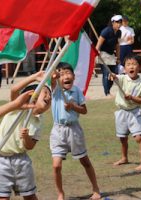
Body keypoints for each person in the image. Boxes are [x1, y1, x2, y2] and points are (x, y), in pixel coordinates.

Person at [0, 71, 51, 200]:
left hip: (22, 161)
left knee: (30, 195)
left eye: (50, 95)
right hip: (0, 160)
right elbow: (14, 89)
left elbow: (30, 146)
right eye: (45, 93)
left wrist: (26, 137)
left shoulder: (39, 120)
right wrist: (34, 77)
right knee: (2, 197)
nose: (49, 97)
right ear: (31, 96)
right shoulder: (17, 107)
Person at [50, 62, 101, 200]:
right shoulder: (55, 89)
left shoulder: (77, 91)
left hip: (74, 129)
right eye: (62, 74)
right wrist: (53, 77)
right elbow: (52, 80)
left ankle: (96, 189)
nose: (65, 76)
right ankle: (60, 193)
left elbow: (84, 110)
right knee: (56, 165)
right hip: (58, 131)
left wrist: (73, 106)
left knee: (84, 161)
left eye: (68, 73)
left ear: (73, 76)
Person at [111, 54, 141, 172]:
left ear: (139, 67)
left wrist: (132, 98)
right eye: (128, 64)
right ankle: (124, 158)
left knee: (138, 138)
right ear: (124, 68)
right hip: (121, 112)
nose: (131, 67)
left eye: (134, 64)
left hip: (135, 113)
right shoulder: (122, 78)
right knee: (122, 137)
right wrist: (111, 75)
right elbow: (114, 77)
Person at [96, 15, 122, 97]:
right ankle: (107, 93)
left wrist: (118, 57)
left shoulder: (118, 32)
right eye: (117, 22)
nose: (119, 24)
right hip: (103, 54)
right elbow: (99, 43)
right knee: (106, 73)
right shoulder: (106, 31)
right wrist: (96, 54)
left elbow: (117, 45)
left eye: (120, 22)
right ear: (112, 22)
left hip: (111, 55)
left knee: (114, 73)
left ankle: (108, 90)